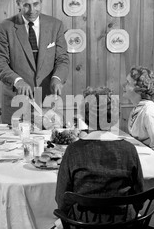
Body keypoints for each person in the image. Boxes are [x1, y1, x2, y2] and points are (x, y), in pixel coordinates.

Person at [56, 86, 144, 214]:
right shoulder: (129, 150)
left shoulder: (74, 151)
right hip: (124, 228)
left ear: (85, 115)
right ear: (114, 115)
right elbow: (139, 198)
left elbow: (62, 200)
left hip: (82, 228)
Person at [0, 0, 70, 124]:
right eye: (26, 5)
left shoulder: (55, 25)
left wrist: (57, 78)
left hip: (48, 100)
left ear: (41, 2)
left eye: (36, 4)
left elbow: (62, 59)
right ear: (18, 4)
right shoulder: (5, 28)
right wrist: (17, 81)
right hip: (17, 101)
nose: (32, 10)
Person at [122, 66, 154, 157]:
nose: (123, 85)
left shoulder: (150, 113)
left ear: (138, 88)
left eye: (128, 83)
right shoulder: (137, 108)